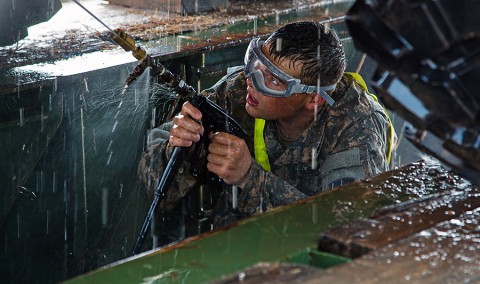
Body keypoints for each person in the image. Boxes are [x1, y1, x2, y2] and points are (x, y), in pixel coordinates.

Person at [138, 21, 395, 241]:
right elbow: (155, 187)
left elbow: (348, 230)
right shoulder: (237, 91)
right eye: (256, 62)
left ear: (312, 100)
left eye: (272, 80)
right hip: (232, 246)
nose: (251, 79)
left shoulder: (354, 123)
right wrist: (179, 149)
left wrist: (248, 178)